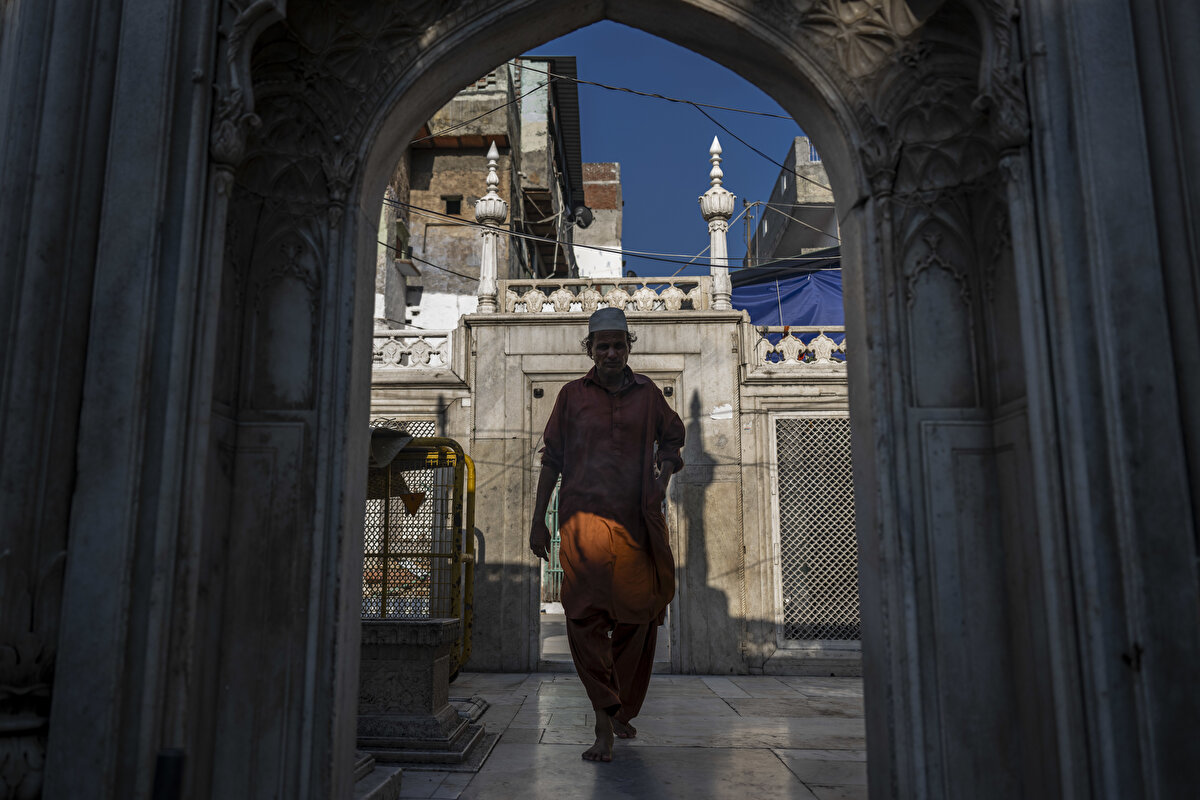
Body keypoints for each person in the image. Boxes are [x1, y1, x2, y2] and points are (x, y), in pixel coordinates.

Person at [529, 307, 686, 763]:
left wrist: (665, 476)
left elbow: (673, 439)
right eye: (603, 346)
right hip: (583, 525)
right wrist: (538, 519)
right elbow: (551, 460)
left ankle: (620, 707)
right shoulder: (571, 396)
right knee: (584, 622)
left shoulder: (649, 395)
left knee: (640, 617)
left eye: (619, 344)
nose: (611, 353)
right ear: (590, 350)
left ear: (628, 347)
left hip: (638, 524)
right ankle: (604, 724)